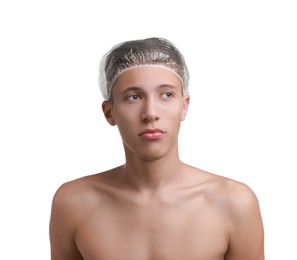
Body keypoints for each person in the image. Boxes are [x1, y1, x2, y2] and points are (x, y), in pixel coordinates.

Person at [49, 37, 264, 260]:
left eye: (167, 95)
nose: (151, 112)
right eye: (133, 97)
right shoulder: (73, 203)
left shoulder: (234, 203)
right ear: (109, 112)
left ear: (184, 105)